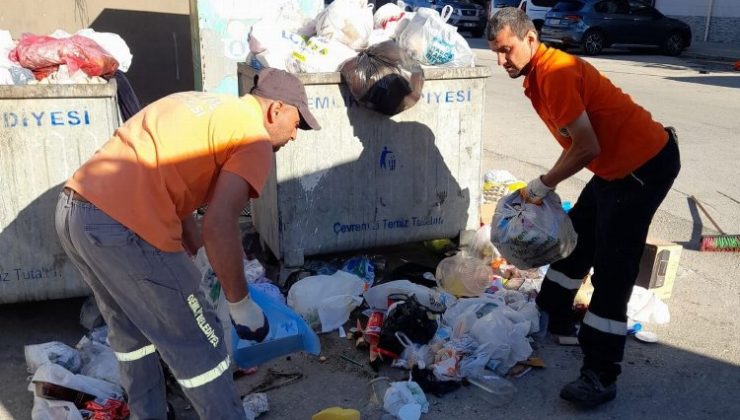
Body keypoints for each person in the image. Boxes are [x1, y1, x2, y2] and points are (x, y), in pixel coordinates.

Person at [55, 68, 320, 419]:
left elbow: (170, 184)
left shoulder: (199, 104)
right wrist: (240, 305)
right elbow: (221, 223)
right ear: (276, 110)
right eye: (297, 124)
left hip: (76, 213)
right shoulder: (252, 139)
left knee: (133, 336)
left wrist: (200, 256)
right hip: (125, 226)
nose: (295, 137)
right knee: (202, 344)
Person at [486, 8, 680, 407]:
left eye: (507, 50)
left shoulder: (555, 73)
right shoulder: (539, 74)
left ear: (531, 39)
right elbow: (586, 145)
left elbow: (586, 146)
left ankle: (600, 373)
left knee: (614, 266)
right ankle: (552, 311)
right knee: (576, 237)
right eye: (496, 52)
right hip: (614, 168)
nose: (501, 60)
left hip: (643, 165)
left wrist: (543, 184)